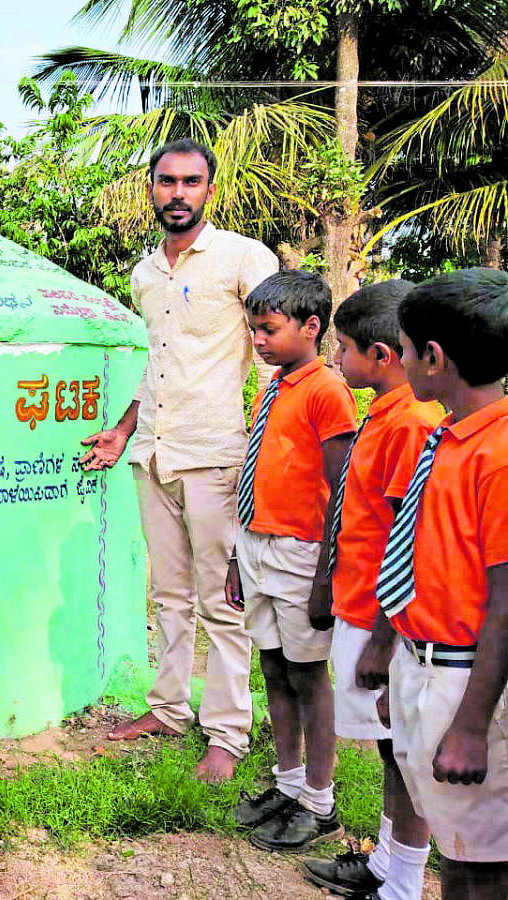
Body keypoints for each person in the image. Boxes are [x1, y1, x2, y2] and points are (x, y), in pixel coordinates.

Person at [82, 137, 278, 781]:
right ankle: (167, 709)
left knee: (221, 602)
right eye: (167, 182)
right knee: (167, 595)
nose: (178, 193)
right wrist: (121, 431)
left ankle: (225, 733)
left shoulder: (242, 259)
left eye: (191, 183)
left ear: (209, 191)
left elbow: (287, 336)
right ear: (152, 189)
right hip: (154, 451)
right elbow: (156, 367)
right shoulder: (146, 273)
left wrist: (278, 426)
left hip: (216, 452)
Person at [302, 281, 438, 900]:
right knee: (391, 752)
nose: (337, 362)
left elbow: (407, 543)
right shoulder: (383, 414)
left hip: (382, 618)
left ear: (383, 356)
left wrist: (384, 640)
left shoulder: (411, 424)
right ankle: (388, 862)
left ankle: (404, 879)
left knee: (401, 754)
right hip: (359, 604)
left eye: (344, 350)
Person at [378, 268, 508, 897]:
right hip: (424, 663)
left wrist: (469, 724)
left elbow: (506, 605)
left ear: (433, 358)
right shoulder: (449, 438)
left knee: (477, 864)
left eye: (403, 349)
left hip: (465, 681)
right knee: (454, 849)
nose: (400, 360)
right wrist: (402, 663)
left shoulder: (499, 455)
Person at [228, 270, 357, 851]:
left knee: (309, 676)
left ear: (310, 327)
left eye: (269, 330)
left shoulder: (327, 391)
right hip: (257, 544)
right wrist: (237, 555)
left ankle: (319, 802)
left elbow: (342, 490)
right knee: (273, 668)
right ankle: (287, 782)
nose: (258, 339)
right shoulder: (273, 385)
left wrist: (327, 575)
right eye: (253, 329)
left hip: (301, 553)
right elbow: (258, 473)